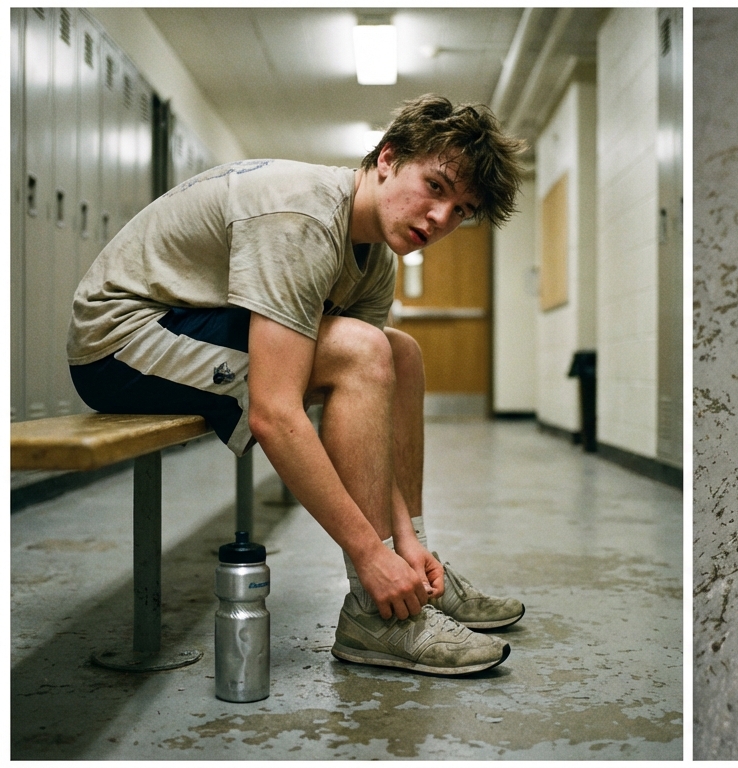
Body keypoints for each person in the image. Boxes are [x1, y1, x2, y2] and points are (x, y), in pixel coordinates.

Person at [67, 95, 527, 676]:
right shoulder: (303, 218)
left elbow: (373, 395)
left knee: (398, 353)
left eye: (461, 209)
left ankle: (416, 570)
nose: (441, 219)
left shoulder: (375, 257)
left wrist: (405, 542)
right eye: (436, 187)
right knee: (364, 349)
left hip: (188, 324)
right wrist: (369, 555)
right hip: (119, 340)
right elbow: (276, 414)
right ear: (387, 158)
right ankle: (376, 609)